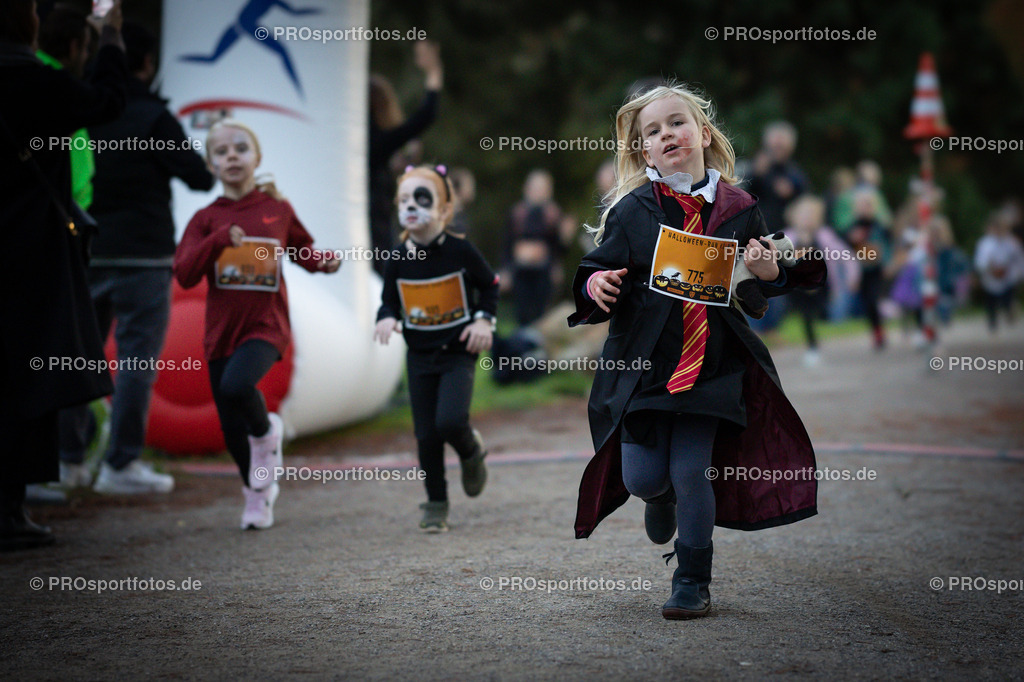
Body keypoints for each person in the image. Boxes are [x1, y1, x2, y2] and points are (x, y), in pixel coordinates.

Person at [567, 83, 826, 620]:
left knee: (693, 472)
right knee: (645, 478)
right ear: (643, 151)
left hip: (713, 367)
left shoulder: (739, 208)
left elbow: (764, 276)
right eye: (653, 132)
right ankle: (658, 502)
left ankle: (692, 580)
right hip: (646, 369)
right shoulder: (633, 211)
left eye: (677, 123)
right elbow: (596, 268)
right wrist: (597, 286)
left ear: (703, 133)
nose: (667, 135)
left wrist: (769, 268)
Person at [58, 21, 215, 494]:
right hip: (144, 256)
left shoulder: (79, 109)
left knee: (77, 359)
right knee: (135, 361)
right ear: (147, 65)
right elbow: (200, 180)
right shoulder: (152, 116)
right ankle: (120, 465)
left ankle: (68, 462)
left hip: (86, 249)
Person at [0, 0, 126, 550]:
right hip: (29, 256)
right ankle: (10, 510)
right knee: (29, 377)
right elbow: (108, 100)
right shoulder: (40, 84)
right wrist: (108, 38)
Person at [174, 120, 339, 530]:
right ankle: (258, 493)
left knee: (236, 386)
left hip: (266, 326)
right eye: (222, 151)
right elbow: (183, 274)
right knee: (231, 430)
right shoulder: (205, 218)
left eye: (241, 148)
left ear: (257, 158)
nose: (232, 156)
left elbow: (303, 249)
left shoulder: (276, 210)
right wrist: (216, 242)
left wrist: (325, 263)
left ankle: (266, 433)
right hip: (220, 334)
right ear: (211, 164)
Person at [374, 165, 498, 533]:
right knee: (426, 434)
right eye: (404, 199)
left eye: (422, 198)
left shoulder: (461, 251)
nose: (411, 206)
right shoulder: (397, 258)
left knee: (449, 422)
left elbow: (489, 286)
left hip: (457, 352)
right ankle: (435, 503)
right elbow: (388, 303)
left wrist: (482, 320)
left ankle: (471, 451)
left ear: (444, 209)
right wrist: (384, 318)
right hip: (419, 357)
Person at [369, 40, 442, 274]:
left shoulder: (358, 142)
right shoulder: (379, 141)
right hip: (374, 230)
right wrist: (434, 72)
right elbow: (425, 115)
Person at [503, 169, 567, 326]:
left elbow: (558, 247)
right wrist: (506, 269)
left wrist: (564, 241)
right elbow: (506, 244)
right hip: (521, 271)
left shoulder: (553, 214)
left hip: (543, 272)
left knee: (541, 314)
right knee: (521, 314)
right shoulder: (517, 213)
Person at [784, 196, 836, 367]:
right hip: (798, 285)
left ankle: (823, 319)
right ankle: (812, 347)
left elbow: (844, 255)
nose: (807, 218)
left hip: (821, 284)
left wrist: (852, 276)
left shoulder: (824, 235)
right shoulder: (788, 236)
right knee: (806, 315)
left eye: (811, 214)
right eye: (803, 214)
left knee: (822, 312)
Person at [846, 188, 890, 349]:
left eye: (867, 205)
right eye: (861, 205)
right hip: (860, 271)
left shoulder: (879, 225)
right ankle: (875, 330)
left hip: (876, 270)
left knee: (873, 300)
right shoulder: (851, 228)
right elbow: (845, 252)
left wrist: (886, 263)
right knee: (867, 303)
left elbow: (886, 247)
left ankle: (879, 331)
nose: (864, 208)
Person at [974, 212, 1024, 333]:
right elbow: (980, 262)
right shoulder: (985, 243)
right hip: (990, 278)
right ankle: (992, 323)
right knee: (991, 303)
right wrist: (990, 268)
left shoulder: (1012, 243)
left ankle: (1009, 310)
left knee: (1007, 300)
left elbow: (1019, 260)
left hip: (1008, 279)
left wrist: (1019, 275)